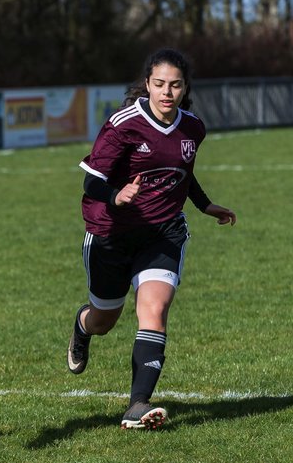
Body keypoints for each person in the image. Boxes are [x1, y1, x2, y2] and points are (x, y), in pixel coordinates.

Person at [68, 48, 237, 430]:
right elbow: (91, 180)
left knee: (154, 312)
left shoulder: (193, 128)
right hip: (110, 233)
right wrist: (117, 196)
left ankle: (137, 405)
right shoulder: (123, 124)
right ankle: (82, 326)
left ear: (185, 87)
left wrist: (204, 204)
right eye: (159, 84)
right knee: (104, 319)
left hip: (163, 232)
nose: (167, 92)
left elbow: (181, 172)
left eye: (175, 85)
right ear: (147, 84)